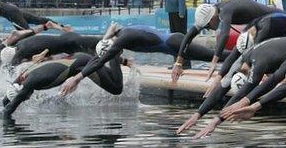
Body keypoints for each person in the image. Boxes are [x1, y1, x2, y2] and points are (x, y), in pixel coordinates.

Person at [58, 23, 215, 97]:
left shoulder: (123, 39)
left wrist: (76, 78)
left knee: (215, 56)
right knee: (215, 56)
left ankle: (238, 55)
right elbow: (101, 56)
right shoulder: (121, 36)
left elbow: (100, 61)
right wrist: (107, 35)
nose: (118, 56)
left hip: (176, 43)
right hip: (173, 46)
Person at [171, 0, 279, 82]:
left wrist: (214, 62)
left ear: (212, 18)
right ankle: (268, 73)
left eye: (207, 26)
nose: (208, 29)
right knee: (247, 49)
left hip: (275, 18)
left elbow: (224, 35)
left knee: (256, 49)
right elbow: (189, 36)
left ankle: (272, 75)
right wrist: (178, 64)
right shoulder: (212, 11)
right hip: (261, 23)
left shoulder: (224, 11)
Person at [1, 52, 125, 118]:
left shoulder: (30, 84)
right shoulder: (23, 77)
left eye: (23, 97)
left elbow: (9, 110)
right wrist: (4, 102)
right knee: (111, 77)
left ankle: (113, 51)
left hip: (84, 64)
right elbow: (10, 96)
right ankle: (112, 53)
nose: (26, 99)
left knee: (116, 88)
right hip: (77, 58)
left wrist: (1, 117)